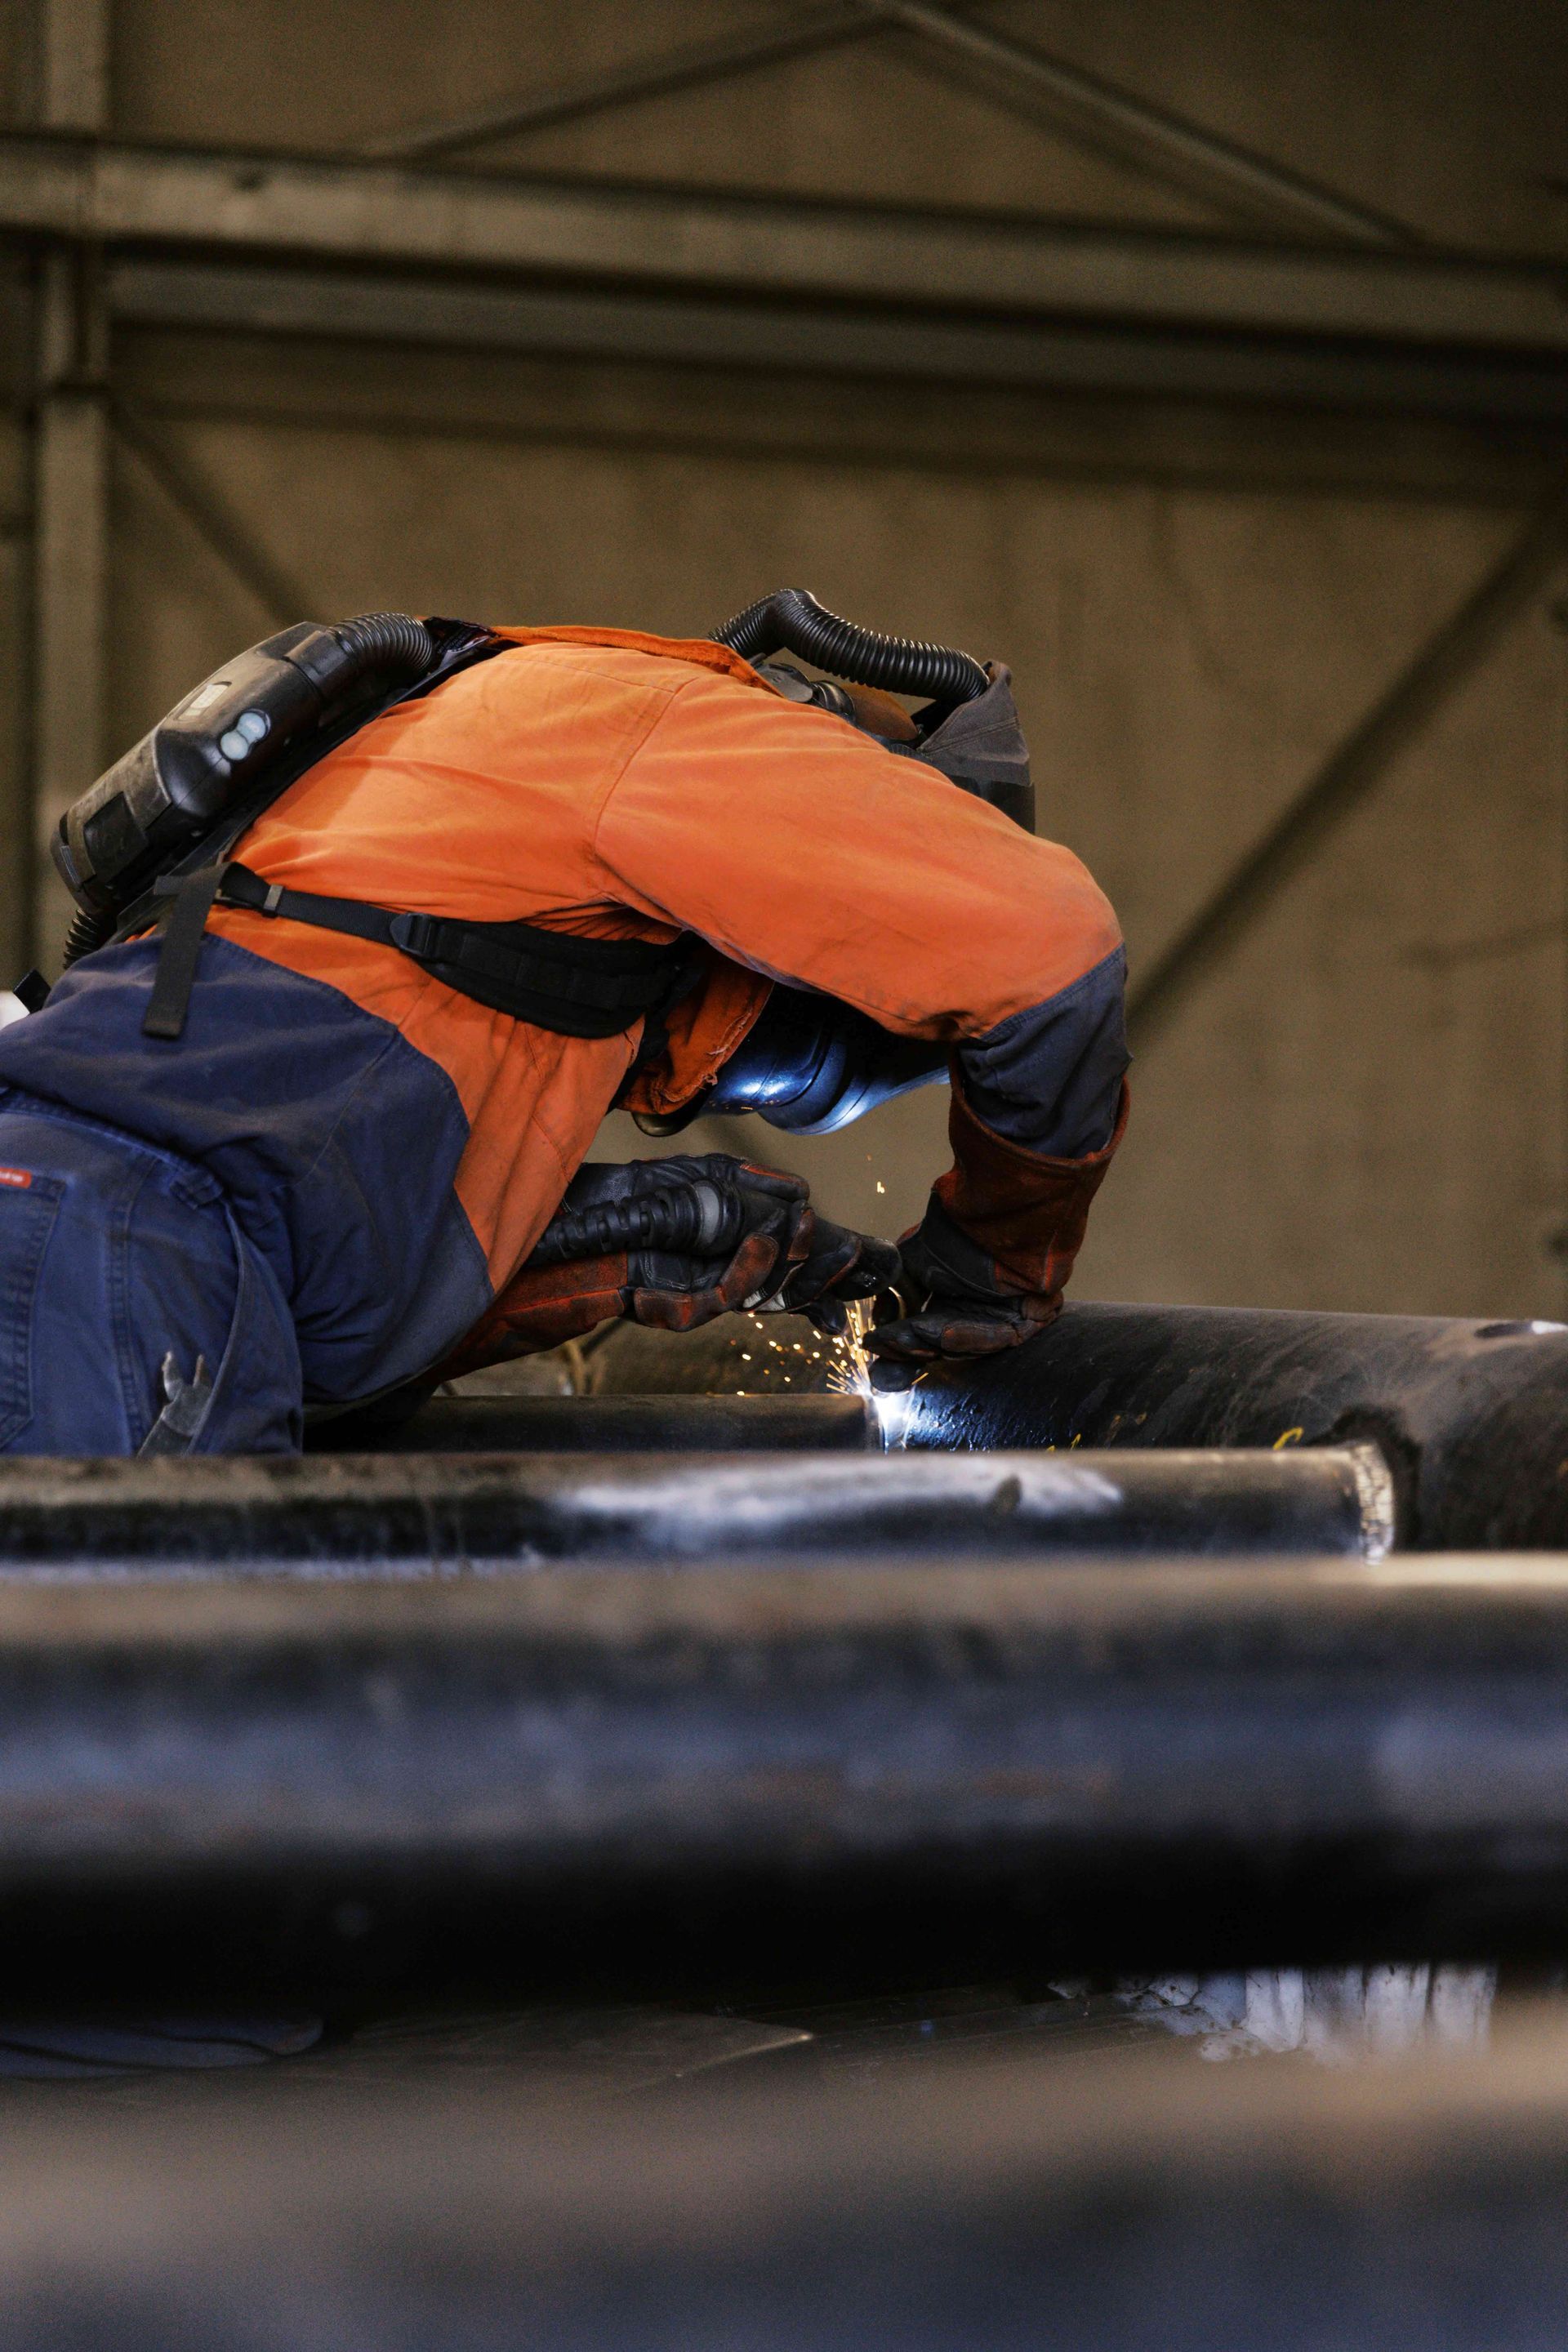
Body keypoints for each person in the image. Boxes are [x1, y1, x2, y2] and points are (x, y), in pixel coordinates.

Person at [0, 619, 1128, 1454]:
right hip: (108, 1259)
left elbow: (297, 1257)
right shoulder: (680, 732)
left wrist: (626, 1241)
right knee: (134, 1758)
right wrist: (992, 1273)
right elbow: (1055, 956)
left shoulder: (460, 809)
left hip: (89, 1243)